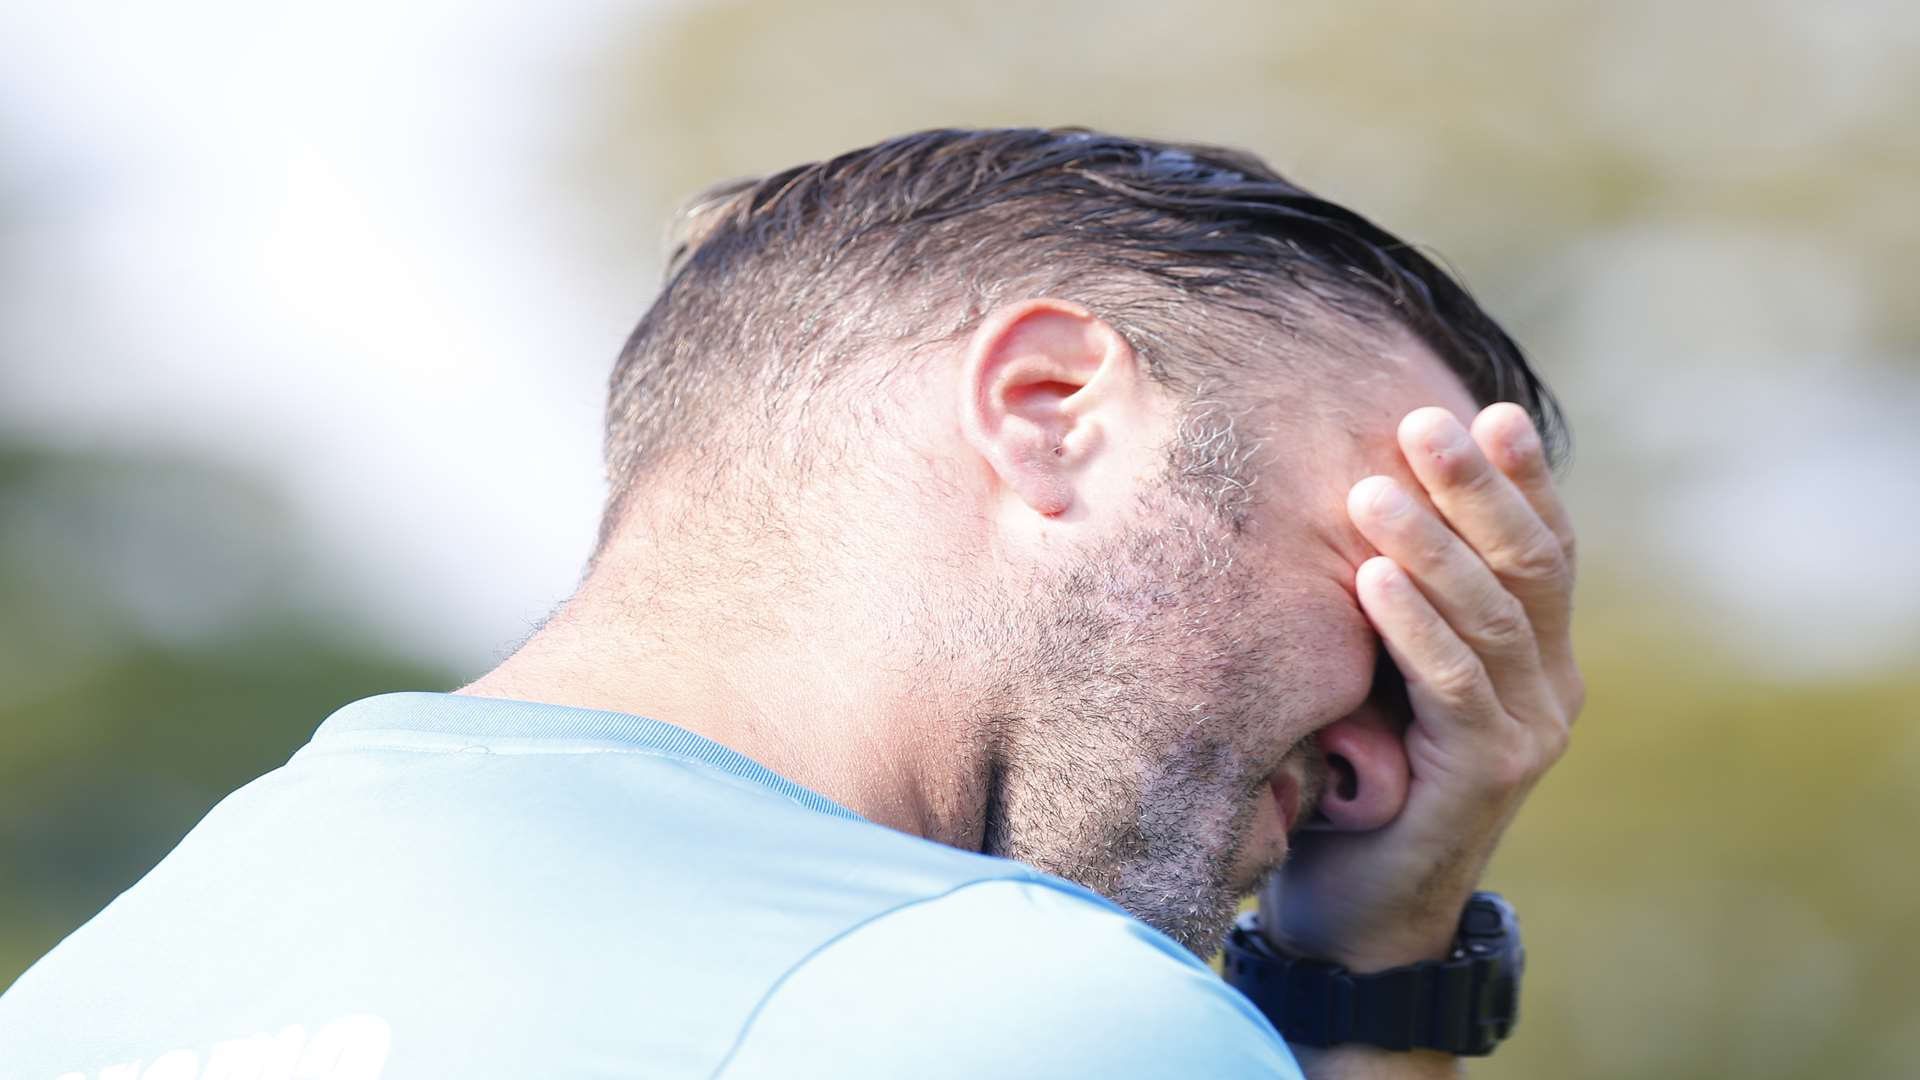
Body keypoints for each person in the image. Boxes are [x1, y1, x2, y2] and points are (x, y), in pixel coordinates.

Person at [0, 128, 1583, 1079]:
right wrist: (1380, 1011)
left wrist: (1368, 956)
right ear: (1049, 412)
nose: (1399, 770)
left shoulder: (111, 988)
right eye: (1397, 591)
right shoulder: (1015, 1020)